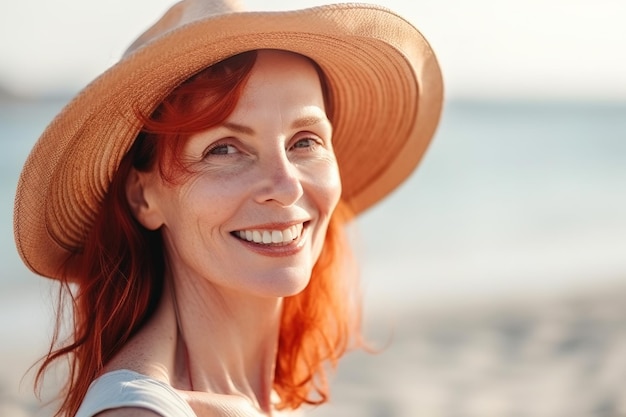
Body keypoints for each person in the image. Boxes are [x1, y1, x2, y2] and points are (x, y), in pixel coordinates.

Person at [13, 0, 443, 416]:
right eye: (224, 149)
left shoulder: (269, 396)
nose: (285, 184)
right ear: (143, 197)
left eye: (305, 141)